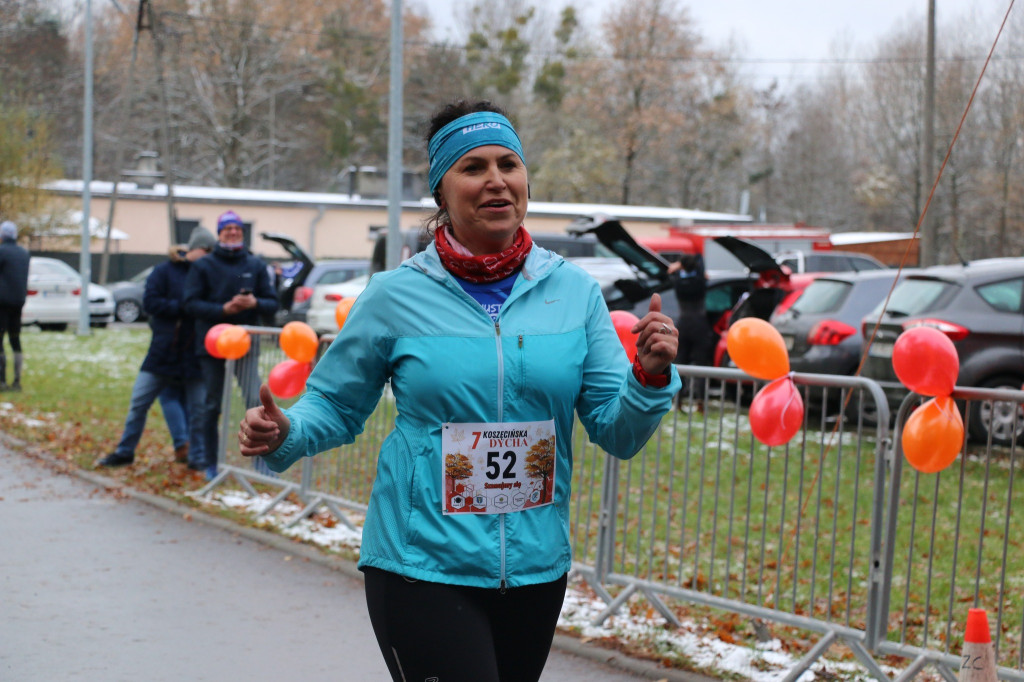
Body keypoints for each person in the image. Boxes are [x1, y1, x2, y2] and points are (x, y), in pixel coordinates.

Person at [236, 100, 681, 682]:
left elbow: (616, 431)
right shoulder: (395, 295)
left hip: (533, 571)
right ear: (441, 192)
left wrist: (647, 378)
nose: (496, 180)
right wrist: (285, 431)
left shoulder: (574, 293)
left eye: (508, 164)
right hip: (422, 567)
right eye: (473, 167)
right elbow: (337, 405)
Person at [97, 230, 217, 469]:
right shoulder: (164, 271)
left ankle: (198, 458)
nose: (209, 257)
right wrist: (184, 307)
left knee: (199, 410)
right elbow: (150, 302)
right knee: (139, 403)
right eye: (206, 251)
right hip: (162, 353)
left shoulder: (208, 275)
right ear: (195, 248)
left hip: (194, 355)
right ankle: (125, 451)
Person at [183, 210, 277, 480]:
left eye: (237, 228)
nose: (233, 233)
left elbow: (273, 303)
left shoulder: (256, 264)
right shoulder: (203, 265)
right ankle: (211, 462)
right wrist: (223, 309)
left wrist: (255, 303)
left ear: (242, 233)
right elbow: (190, 304)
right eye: (227, 229)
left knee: (255, 400)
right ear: (219, 233)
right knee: (211, 405)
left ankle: (262, 463)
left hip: (246, 345)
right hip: (212, 346)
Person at [667, 253, 714, 411]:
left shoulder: (679, 283)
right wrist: (687, 264)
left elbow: (671, 273)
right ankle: (700, 401)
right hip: (700, 324)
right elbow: (701, 258)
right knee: (701, 364)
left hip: (683, 324)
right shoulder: (700, 281)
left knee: (680, 363)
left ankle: (678, 400)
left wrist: (679, 265)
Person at [0, 220, 30, 392]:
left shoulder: (1, 252)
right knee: (15, 339)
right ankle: (17, 381)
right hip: (18, 301)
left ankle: (2, 381)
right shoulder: (23, 253)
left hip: (2, 303)